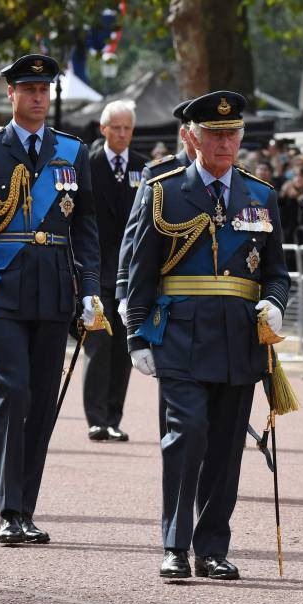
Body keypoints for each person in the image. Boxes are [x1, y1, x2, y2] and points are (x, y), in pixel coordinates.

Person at [125, 91, 290, 580]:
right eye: (214, 135)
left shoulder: (260, 195)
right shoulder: (163, 191)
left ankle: (212, 545)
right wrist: (136, 334)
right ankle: (175, 544)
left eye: (232, 134)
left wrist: (275, 303)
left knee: (224, 444)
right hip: (180, 333)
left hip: (240, 339)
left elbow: (277, 270)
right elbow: (140, 270)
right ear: (190, 137)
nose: (224, 143)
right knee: (188, 434)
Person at [0, 54, 102, 544]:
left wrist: (91, 290)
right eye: (29, 89)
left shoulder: (73, 152)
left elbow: (86, 227)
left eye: (45, 89)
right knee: (12, 392)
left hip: (55, 289)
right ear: (11, 94)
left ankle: (26, 509)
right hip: (5, 289)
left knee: (42, 402)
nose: (39, 97)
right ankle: (8, 508)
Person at [115, 99, 195, 439]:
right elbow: (134, 237)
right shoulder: (159, 173)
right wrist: (124, 291)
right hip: (168, 298)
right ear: (186, 135)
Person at [83, 100, 147, 442]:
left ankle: (113, 417)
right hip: (95, 268)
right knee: (98, 347)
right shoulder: (89, 165)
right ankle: (96, 418)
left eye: (127, 128)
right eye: (116, 128)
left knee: (123, 350)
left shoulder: (143, 168)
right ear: (103, 129)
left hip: (129, 273)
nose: (122, 134)